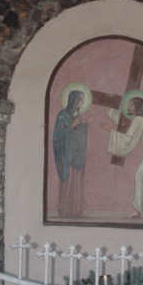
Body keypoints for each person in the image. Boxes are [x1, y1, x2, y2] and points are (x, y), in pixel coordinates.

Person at [52, 89, 88, 217]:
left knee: (77, 182)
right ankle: (64, 209)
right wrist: (71, 126)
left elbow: (78, 134)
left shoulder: (78, 116)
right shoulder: (62, 115)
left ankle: (76, 211)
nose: (82, 101)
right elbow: (57, 136)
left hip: (77, 155)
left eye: (83, 99)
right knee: (67, 181)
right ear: (74, 100)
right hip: (66, 155)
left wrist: (85, 124)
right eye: (80, 99)